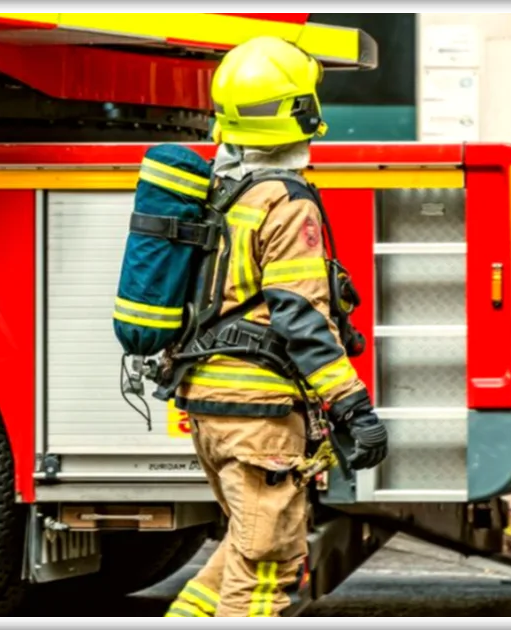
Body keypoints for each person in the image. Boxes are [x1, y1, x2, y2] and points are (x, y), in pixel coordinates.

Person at [164, 35, 389, 618]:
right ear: (305, 112)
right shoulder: (286, 204)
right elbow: (301, 317)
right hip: (257, 416)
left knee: (241, 555)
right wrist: (353, 408)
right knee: (266, 571)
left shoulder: (226, 192)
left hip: (213, 406)